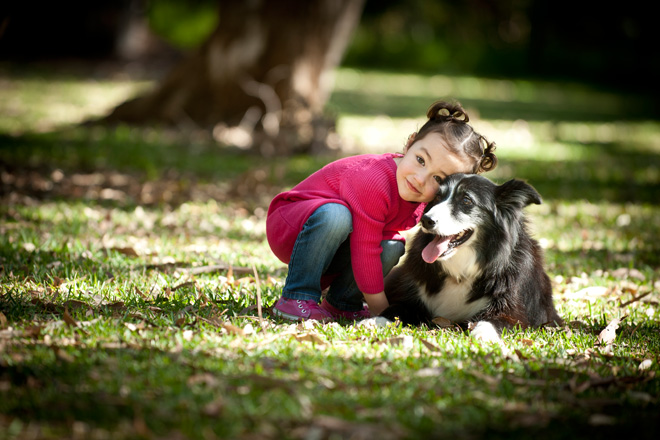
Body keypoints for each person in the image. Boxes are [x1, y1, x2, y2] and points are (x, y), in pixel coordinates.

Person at [266, 100, 498, 322]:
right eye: (420, 159)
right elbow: (364, 248)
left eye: (438, 178)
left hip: (331, 242)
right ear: (409, 143)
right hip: (291, 225)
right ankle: (296, 297)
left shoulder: (428, 199)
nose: (419, 179)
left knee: (392, 246)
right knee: (336, 215)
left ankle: (342, 305)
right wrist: (383, 311)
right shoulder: (373, 180)